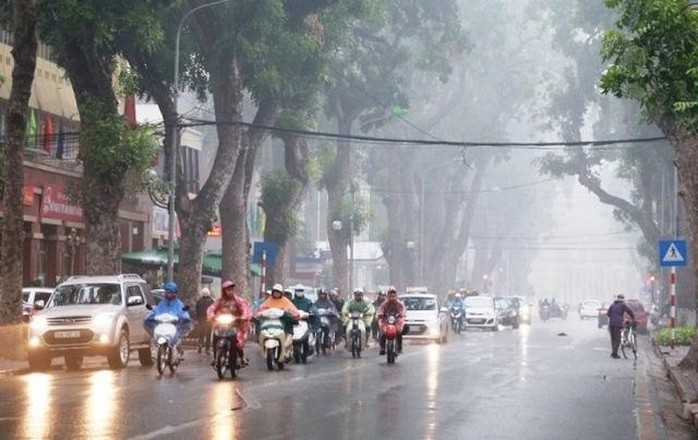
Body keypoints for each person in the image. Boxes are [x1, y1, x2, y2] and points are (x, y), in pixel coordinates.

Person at [206, 280, 253, 366]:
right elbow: (212, 308)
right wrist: (211, 316)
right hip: (221, 324)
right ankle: (215, 357)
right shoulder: (219, 301)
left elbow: (245, 309)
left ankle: (241, 357)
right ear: (224, 291)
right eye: (228, 290)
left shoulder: (238, 301)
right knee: (215, 336)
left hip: (235, 324)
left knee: (237, 341)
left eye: (231, 290)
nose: (230, 292)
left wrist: (243, 317)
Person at [144, 281, 193, 360]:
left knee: (176, 336)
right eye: (167, 292)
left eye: (171, 292)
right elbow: (157, 310)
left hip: (174, 325)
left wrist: (183, 316)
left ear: (175, 293)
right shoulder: (162, 303)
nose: (169, 294)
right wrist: (151, 313)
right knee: (154, 337)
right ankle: (156, 351)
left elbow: (182, 312)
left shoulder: (178, 304)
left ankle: (176, 349)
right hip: (162, 324)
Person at [377, 286, 406, 355]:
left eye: (393, 296)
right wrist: (380, 314)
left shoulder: (399, 304)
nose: (392, 297)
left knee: (398, 332)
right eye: (390, 295)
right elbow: (380, 309)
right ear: (387, 296)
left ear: (396, 296)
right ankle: (382, 348)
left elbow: (403, 309)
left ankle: (399, 347)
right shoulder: (384, 304)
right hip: (386, 320)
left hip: (396, 320)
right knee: (383, 332)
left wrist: (401, 314)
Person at [607, 294, 635, 359]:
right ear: (623, 299)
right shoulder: (623, 305)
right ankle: (614, 354)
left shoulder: (612, 305)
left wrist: (613, 317)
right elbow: (629, 311)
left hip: (611, 324)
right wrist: (632, 317)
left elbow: (608, 314)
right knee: (618, 339)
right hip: (618, 324)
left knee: (613, 339)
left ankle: (613, 352)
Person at [195, 287, 215, 354]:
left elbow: (197, 311)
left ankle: (200, 345)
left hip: (201, 320)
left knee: (201, 334)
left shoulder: (199, 301)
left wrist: (197, 319)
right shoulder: (211, 301)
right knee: (208, 335)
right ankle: (207, 349)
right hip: (209, 321)